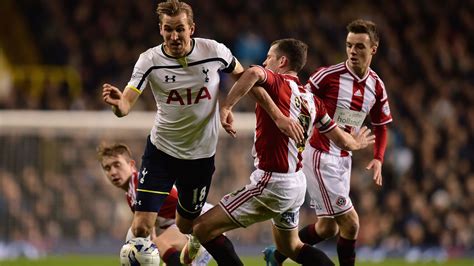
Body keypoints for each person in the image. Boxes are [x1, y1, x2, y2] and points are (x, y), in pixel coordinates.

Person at [182, 38, 374, 266]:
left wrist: (227, 106)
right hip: (295, 184)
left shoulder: (278, 82)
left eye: (269, 57)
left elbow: (253, 73)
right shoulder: (312, 100)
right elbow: (342, 141)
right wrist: (357, 143)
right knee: (290, 247)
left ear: (282, 61)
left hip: (271, 184)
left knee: (201, 228)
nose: (265, 61)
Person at [101, 0, 245, 263]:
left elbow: (244, 75)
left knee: (189, 226)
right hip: (161, 153)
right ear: (160, 29)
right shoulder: (149, 60)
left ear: (192, 28)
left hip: (200, 157)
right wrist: (118, 104)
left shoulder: (214, 51)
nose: (174, 36)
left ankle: (197, 243)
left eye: (180, 28)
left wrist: (228, 106)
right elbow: (125, 105)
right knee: (142, 228)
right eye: (168, 29)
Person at [265, 19, 393, 266]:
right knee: (351, 223)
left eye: (360, 46)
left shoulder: (376, 85)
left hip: (344, 159)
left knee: (327, 228)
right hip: (319, 155)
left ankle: (277, 254)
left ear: (373, 49)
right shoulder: (328, 75)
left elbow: (381, 125)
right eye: (349, 45)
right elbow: (299, 99)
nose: (353, 51)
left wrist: (378, 157)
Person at [96, 143, 212, 265]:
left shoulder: (142, 185)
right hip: (187, 229)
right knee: (160, 248)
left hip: (198, 221)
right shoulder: (131, 194)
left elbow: (177, 198)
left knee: (160, 244)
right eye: (107, 168)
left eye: (117, 165)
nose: (113, 172)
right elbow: (149, 229)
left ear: (131, 165)